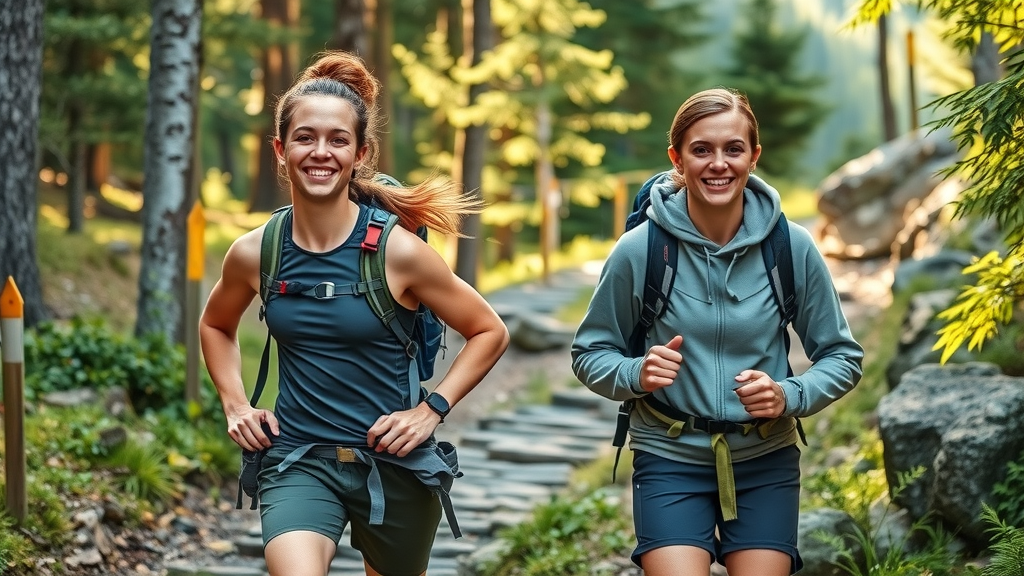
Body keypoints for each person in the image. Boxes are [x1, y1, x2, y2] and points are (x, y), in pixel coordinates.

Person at [199, 50, 509, 576]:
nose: (320, 152)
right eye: (305, 137)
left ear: (360, 153)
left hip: (395, 465)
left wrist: (430, 410)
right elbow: (214, 324)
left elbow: (488, 330)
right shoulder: (256, 251)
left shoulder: (399, 252)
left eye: (338, 140)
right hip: (298, 459)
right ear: (280, 148)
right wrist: (235, 405)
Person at [571, 87, 863, 576]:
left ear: (754, 155)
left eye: (733, 149)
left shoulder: (790, 247)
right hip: (669, 457)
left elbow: (842, 356)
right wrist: (637, 373)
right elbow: (590, 353)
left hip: (765, 458)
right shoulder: (640, 250)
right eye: (701, 150)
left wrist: (789, 395)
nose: (718, 164)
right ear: (677, 158)